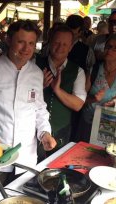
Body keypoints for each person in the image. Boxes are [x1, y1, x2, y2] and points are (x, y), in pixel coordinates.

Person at [0, 20, 57, 200]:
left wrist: (45, 133)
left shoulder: (36, 73)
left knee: (25, 201)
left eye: (31, 43)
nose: (26, 48)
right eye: (21, 41)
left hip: (26, 157)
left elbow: (39, 109)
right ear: (8, 40)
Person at [35, 24, 86, 159]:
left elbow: (78, 104)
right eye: (57, 43)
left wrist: (56, 89)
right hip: (33, 130)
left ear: (70, 47)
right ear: (50, 43)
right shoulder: (34, 64)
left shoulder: (78, 71)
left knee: (55, 170)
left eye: (65, 44)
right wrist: (39, 87)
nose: (60, 47)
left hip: (61, 131)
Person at [77, 34, 116, 142]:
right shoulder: (93, 70)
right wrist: (94, 99)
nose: (109, 50)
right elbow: (80, 98)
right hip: (89, 122)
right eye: (108, 46)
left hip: (112, 125)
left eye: (115, 48)